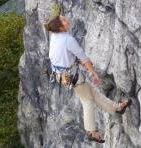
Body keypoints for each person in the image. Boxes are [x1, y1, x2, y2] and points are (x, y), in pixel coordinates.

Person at [44, 14, 132, 144]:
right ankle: (92, 132)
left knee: (93, 94)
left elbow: (65, 57)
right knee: (88, 100)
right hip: (73, 76)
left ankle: (117, 108)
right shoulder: (67, 39)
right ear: (60, 26)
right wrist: (94, 74)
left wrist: (77, 62)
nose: (67, 20)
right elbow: (83, 58)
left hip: (63, 76)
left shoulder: (55, 37)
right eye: (63, 20)